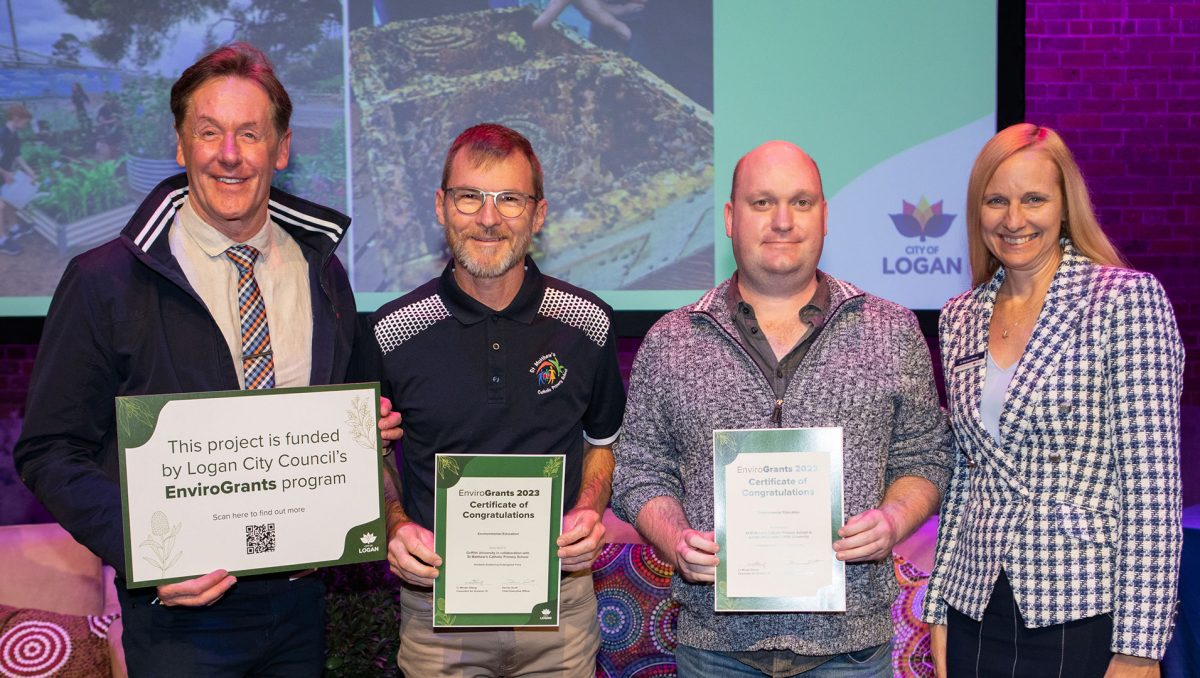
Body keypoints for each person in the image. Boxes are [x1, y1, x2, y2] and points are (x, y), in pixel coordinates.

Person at [13, 42, 400, 676]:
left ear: (281, 149)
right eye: (209, 132)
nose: (229, 154)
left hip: (302, 600)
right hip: (180, 616)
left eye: (250, 133)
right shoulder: (104, 281)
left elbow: (359, 405)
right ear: (180, 145)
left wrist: (368, 438)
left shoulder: (323, 271)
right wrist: (145, 551)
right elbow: (49, 450)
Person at [611, 140, 954, 677]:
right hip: (715, 650)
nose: (783, 221)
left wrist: (893, 519)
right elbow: (638, 469)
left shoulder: (891, 329)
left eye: (801, 202)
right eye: (761, 202)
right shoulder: (672, 338)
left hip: (850, 652)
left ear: (824, 216)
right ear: (730, 217)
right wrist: (675, 537)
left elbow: (927, 457)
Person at [362, 123, 626, 677]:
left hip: (561, 617)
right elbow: (373, 456)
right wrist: (394, 524)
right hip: (438, 623)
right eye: (469, 197)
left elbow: (602, 444)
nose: (488, 218)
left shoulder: (589, 324)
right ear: (441, 206)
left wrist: (588, 508)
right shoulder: (390, 333)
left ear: (539, 213)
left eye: (509, 199)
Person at [921, 124, 1185, 678]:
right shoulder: (960, 316)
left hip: (1083, 610)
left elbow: (1151, 491)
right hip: (974, 607)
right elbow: (967, 477)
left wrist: (1140, 648)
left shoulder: (1124, 302)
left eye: (1033, 199)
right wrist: (939, 606)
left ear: (1065, 207)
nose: (1014, 219)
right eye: (997, 200)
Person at [0, 103, 37, 255]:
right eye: (25, 122)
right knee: (0, 206)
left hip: (5, 173)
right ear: (16, 118)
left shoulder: (14, 134)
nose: (25, 125)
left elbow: (17, 155)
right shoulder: (2, 134)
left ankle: (14, 228)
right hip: (2, 172)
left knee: (9, 200)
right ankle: (2, 240)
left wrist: (29, 171)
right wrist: (4, 173)